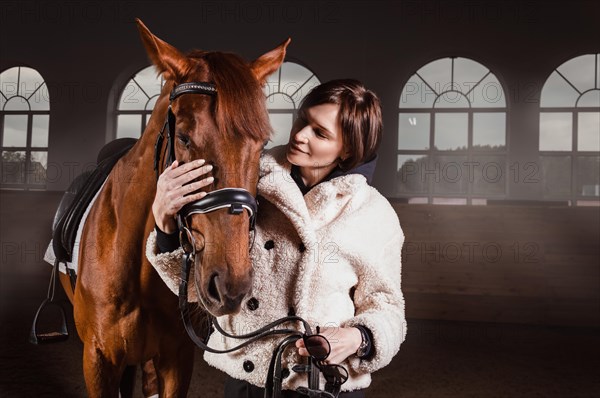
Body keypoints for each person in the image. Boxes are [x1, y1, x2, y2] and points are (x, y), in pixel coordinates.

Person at [146, 79, 406, 397]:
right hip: (248, 382)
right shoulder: (245, 183)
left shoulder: (374, 214)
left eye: (320, 133)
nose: (299, 135)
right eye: (302, 120)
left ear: (348, 148)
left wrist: (357, 339)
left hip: (327, 384)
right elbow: (194, 289)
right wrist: (164, 222)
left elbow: (388, 309)